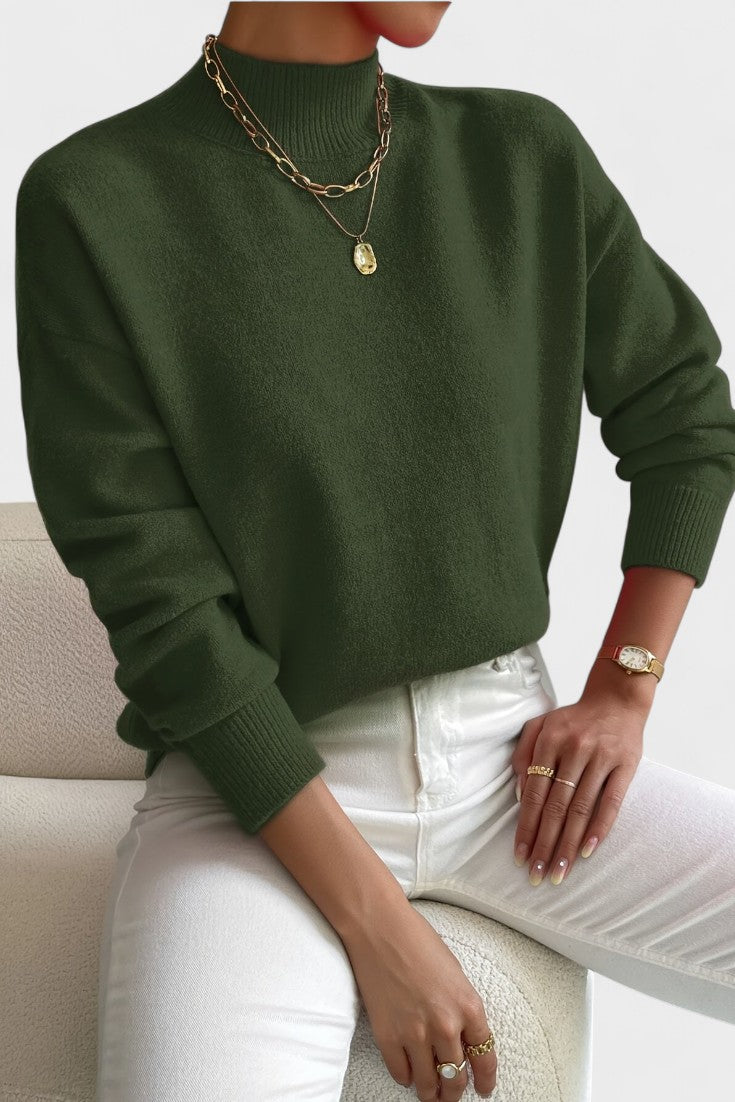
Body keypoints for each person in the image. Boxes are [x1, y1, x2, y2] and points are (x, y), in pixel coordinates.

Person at [14, 2, 735, 1100]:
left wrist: (623, 686)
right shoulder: (95, 199)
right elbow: (166, 616)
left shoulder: (522, 155)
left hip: (513, 767)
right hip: (254, 801)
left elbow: (684, 413)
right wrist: (380, 927)